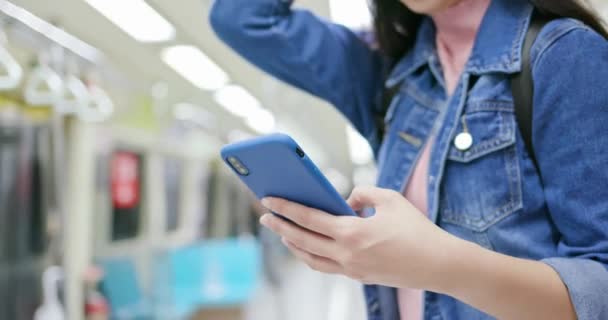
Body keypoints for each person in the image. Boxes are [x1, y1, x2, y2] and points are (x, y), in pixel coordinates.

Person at [209, 0, 608, 319]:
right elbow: (240, 15)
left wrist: (438, 264)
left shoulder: (563, 54)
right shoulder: (391, 73)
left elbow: (601, 289)